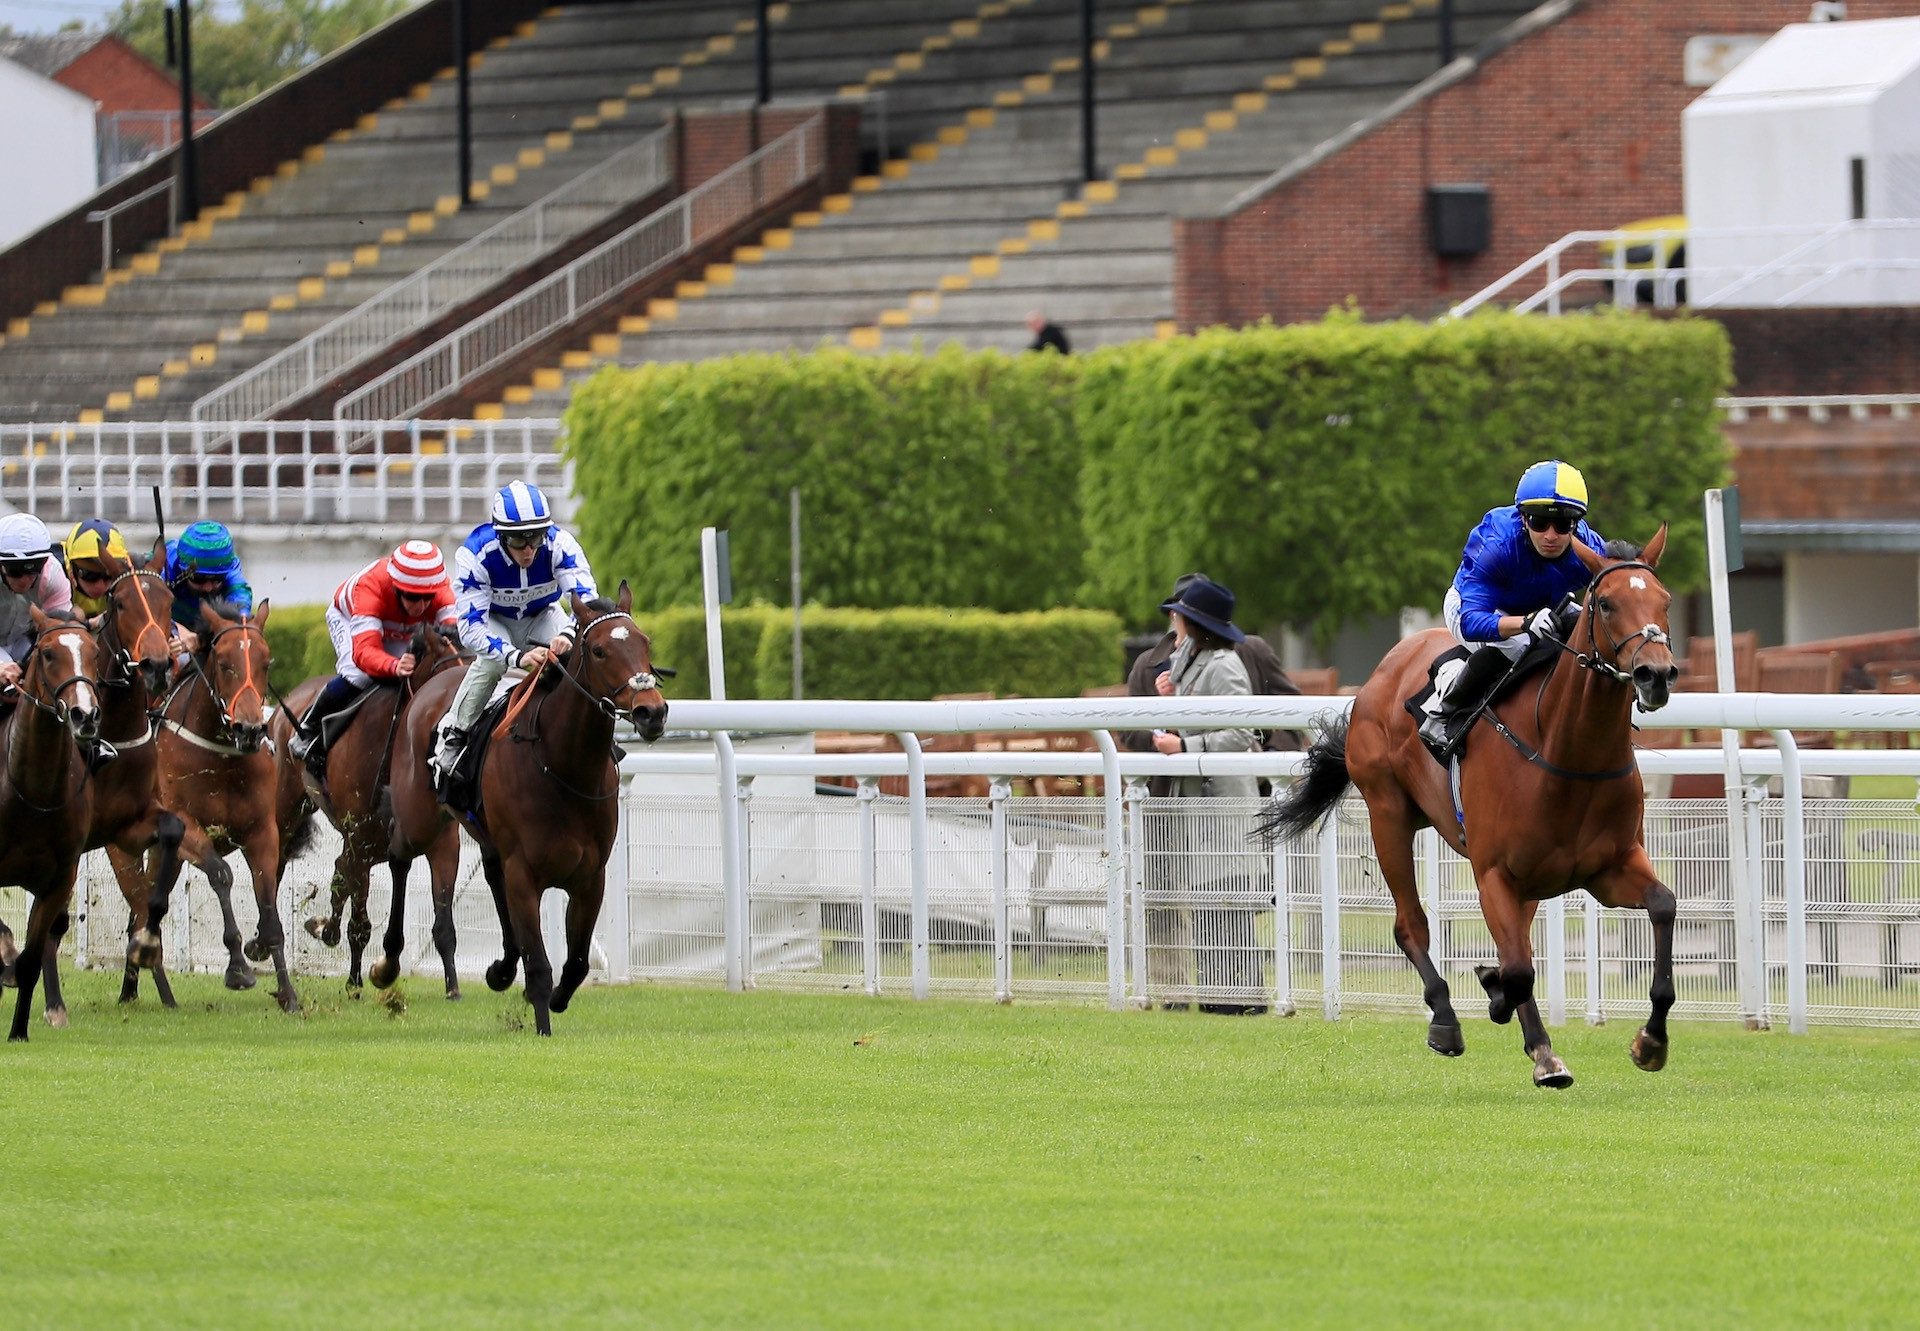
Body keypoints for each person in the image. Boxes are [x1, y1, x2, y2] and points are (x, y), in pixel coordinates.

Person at [1141, 576, 1269, 1016]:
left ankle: (1242, 997)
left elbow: (1240, 730)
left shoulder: (1223, 664)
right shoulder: (1193, 662)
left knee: (1225, 897)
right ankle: (1222, 997)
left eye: (1180, 615)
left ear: (1194, 622)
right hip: (1202, 804)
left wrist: (1186, 747)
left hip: (1222, 802)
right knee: (1209, 896)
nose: (1173, 622)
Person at [1418, 459, 1608, 750]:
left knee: (1592, 631)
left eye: (1563, 523)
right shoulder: (1496, 543)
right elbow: (1472, 622)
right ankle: (1442, 709)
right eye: (1539, 521)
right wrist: (1525, 622)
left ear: (1577, 523)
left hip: (1545, 605)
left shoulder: (1590, 547)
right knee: (1523, 645)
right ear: (1522, 518)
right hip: (1474, 609)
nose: (1551, 535)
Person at [430, 481, 597, 798]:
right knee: (493, 664)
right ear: (499, 535)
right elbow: (471, 628)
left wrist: (567, 633)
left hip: (541, 615)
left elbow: (586, 602)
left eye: (535, 537)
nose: (529, 549)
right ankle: (455, 732)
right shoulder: (475, 553)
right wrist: (515, 658)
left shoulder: (561, 544)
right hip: (495, 620)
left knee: (579, 651)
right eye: (519, 540)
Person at [288, 540, 457, 775]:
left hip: (401, 627)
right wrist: (394, 665)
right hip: (350, 618)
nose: (420, 606)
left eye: (427, 597)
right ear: (397, 587)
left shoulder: (442, 592)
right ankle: (308, 728)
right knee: (359, 676)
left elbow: (455, 642)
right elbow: (364, 653)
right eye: (412, 596)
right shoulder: (370, 587)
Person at [0, 513, 74, 701]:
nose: (25, 580)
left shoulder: (53, 575)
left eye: (33, 570)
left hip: (23, 643)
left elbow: (59, 633)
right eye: (16, 571)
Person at [164, 520, 253, 657]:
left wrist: (241, 621)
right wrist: (174, 630)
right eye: (199, 578)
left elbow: (241, 600)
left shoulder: (229, 567)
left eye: (217, 579)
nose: (208, 587)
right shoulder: (165, 565)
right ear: (183, 571)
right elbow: (143, 607)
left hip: (206, 630)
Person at [62, 518, 132, 622]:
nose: (100, 585)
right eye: (90, 575)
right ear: (71, 568)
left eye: (109, 576)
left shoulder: (128, 579)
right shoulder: (54, 574)